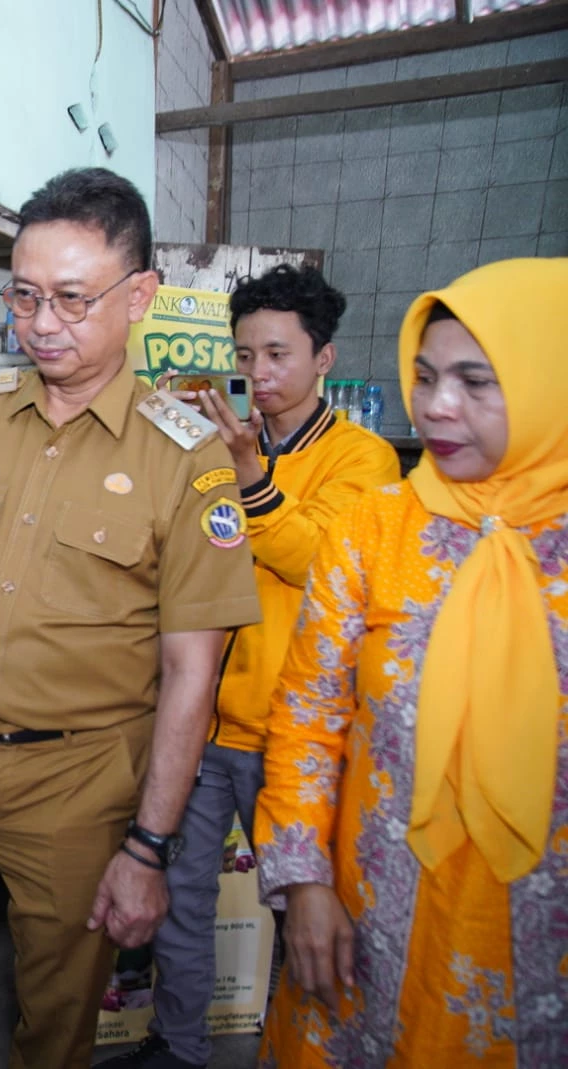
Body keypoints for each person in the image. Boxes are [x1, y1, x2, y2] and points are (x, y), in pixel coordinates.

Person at [0, 166, 261, 1069]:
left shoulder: (185, 460)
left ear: (140, 294)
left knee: (56, 1022)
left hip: (81, 784)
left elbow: (195, 671)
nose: (42, 324)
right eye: (25, 295)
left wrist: (150, 849)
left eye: (73, 299)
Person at [254, 258, 568, 1068]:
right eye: (424, 376)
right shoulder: (379, 527)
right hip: (364, 921)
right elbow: (309, 714)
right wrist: (304, 883)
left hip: (536, 945)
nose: (435, 406)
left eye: (476, 381)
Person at [104, 266, 402, 1069]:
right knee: (180, 902)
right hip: (203, 723)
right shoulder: (217, 445)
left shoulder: (366, 462)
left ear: (324, 357)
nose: (260, 375)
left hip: (301, 737)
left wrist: (252, 480)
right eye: (247, 355)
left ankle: (293, 1052)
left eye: (278, 354)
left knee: (305, 913)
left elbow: (319, 559)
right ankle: (181, 1046)